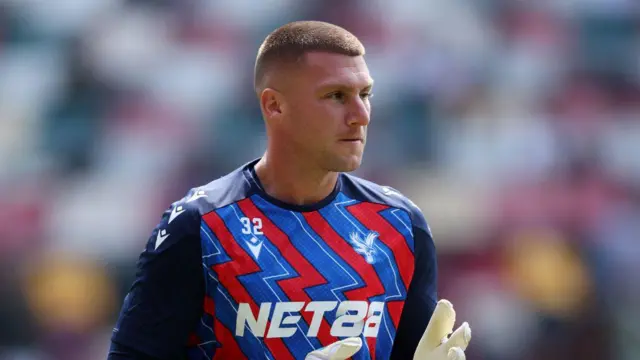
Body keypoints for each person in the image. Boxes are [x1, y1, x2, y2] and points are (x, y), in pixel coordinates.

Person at [108, 20, 471, 360]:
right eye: (336, 96)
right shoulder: (201, 226)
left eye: (365, 94)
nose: (360, 114)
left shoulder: (400, 226)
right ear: (274, 105)